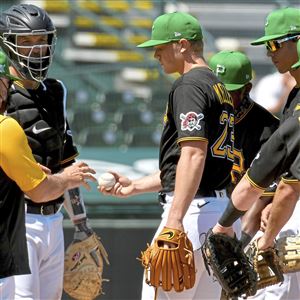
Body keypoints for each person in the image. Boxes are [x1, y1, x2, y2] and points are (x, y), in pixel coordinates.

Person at [100, 11, 238, 300]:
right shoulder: (219, 86)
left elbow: (193, 155)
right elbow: (188, 163)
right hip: (217, 214)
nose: (155, 55)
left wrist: (175, 219)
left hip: (190, 214)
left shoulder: (189, 85)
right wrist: (136, 185)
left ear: (183, 45)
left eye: (160, 47)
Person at [0, 4, 99, 299]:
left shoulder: (56, 90)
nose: (36, 49)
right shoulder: (3, 94)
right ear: (8, 45)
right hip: (17, 222)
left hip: (53, 219)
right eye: (26, 42)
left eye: (41, 41)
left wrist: (81, 226)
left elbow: (65, 165)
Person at [209, 49, 300, 299]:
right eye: (217, 92)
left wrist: (239, 249)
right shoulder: (208, 122)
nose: (222, 99)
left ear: (246, 89)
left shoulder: (266, 128)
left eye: (229, 92)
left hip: (253, 221)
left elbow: (262, 196)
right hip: (219, 218)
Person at [211, 6, 300, 255]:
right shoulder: (295, 96)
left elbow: (287, 186)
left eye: (275, 45)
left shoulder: (265, 125)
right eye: (266, 46)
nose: (269, 53)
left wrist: (262, 240)